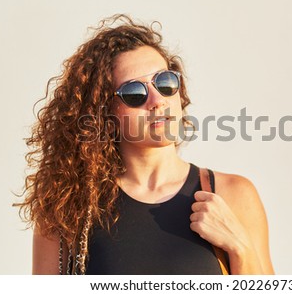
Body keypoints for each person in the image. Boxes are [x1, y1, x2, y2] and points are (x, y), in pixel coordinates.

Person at [16, 14, 274, 275]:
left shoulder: (233, 194)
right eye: (135, 92)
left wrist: (240, 248)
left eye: (165, 82)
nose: (158, 100)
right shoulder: (69, 207)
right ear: (105, 114)